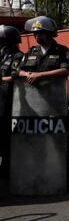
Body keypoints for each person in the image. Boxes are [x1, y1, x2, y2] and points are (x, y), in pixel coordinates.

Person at [17, 16, 69, 187]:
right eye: (35, 34)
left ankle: (64, 177)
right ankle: (40, 174)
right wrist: (27, 74)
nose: (37, 37)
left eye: (41, 33)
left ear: (50, 34)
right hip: (35, 106)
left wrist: (40, 75)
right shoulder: (31, 52)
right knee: (37, 142)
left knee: (59, 141)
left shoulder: (62, 50)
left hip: (56, 105)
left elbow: (65, 70)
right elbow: (17, 70)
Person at [0, 25, 23, 179]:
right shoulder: (2, 54)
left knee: (7, 136)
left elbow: (16, 77)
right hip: (0, 98)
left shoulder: (18, 56)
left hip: (10, 100)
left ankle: (8, 168)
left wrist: (1, 79)